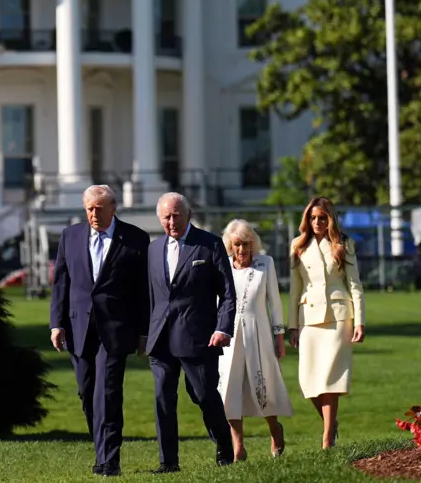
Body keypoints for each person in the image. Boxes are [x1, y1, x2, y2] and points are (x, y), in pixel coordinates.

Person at [50, 185, 150, 477]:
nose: (93, 214)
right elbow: (61, 284)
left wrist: (143, 331)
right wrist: (56, 324)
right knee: (87, 392)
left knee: (107, 392)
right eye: (89, 209)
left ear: (113, 208)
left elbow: (143, 291)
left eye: (99, 209)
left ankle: (109, 459)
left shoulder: (135, 239)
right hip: (78, 327)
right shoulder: (70, 236)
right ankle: (101, 449)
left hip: (115, 329)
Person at [146, 192, 236, 474]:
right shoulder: (153, 249)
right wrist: (143, 333)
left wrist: (223, 328)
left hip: (198, 337)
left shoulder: (208, 245)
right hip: (160, 339)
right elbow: (151, 295)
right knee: (163, 398)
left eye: (175, 215)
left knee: (204, 395)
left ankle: (224, 446)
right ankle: (168, 462)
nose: (171, 221)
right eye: (165, 217)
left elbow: (228, 293)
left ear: (188, 214)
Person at [288, 197, 365, 449]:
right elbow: (294, 289)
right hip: (308, 318)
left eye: (322, 217)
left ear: (330, 218)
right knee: (308, 381)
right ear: (307, 220)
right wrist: (292, 326)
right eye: (313, 218)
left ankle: (327, 438)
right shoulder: (297, 245)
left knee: (330, 378)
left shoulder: (344, 244)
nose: (317, 222)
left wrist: (359, 322)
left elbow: (355, 285)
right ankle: (330, 424)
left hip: (338, 317)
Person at [218, 219, 293, 462]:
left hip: (258, 334)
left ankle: (275, 431)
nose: (242, 249)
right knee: (228, 389)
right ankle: (238, 445)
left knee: (264, 386)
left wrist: (279, 336)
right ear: (230, 244)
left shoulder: (265, 263)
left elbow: (275, 302)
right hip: (228, 337)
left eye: (246, 244)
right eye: (237, 244)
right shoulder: (222, 265)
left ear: (253, 244)